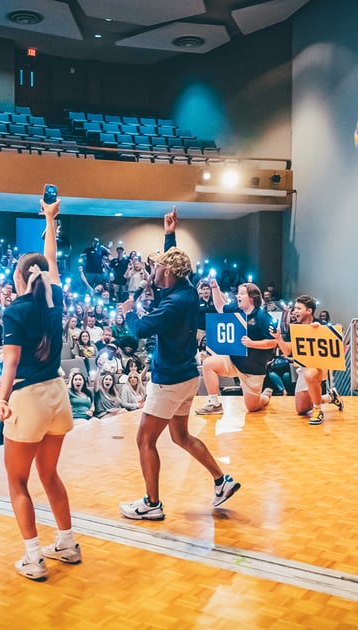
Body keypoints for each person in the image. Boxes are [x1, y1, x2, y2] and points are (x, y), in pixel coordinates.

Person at [117, 207, 240, 521]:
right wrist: (170, 232)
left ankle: (152, 504)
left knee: (145, 439)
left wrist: (129, 310)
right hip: (187, 375)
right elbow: (172, 263)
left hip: (169, 380)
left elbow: (141, 330)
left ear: (168, 274)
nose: (153, 271)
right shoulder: (184, 287)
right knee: (181, 437)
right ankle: (221, 480)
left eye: (158, 267)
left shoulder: (173, 303)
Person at [0, 197, 79, 581]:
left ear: (20, 277)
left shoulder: (15, 310)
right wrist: (49, 218)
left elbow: (10, 363)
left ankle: (33, 558)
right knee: (50, 475)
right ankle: (67, 543)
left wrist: (0, 398)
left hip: (27, 398)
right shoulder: (55, 297)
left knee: (17, 482)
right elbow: (51, 260)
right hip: (57, 395)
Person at [195, 281, 277, 415]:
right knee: (209, 363)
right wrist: (215, 287)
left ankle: (265, 396)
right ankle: (214, 404)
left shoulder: (263, 317)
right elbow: (220, 307)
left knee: (253, 407)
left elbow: (273, 343)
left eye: (242, 293)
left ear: (252, 297)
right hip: (233, 361)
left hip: (252, 368)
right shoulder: (236, 310)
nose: (238, 296)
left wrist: (252, 344)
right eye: (238, 293)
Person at [275, 295, 342, 425]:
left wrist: (320, 331)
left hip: (320, 367)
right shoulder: (295, 327)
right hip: (303, 366)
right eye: (295, 308)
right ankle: (329, 397)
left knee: (310, 374)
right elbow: (287, 351)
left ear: (309, 311)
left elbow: (334, 342)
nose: (295, 311)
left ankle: (317, 410)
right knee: (301, 409)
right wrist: (279, 339)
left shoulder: (320, 325)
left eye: (299, 308)